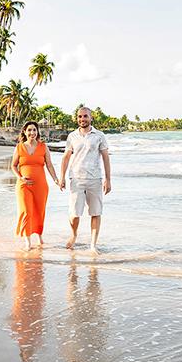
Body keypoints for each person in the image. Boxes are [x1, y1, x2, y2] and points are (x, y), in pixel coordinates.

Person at [59, 107, 111, 253]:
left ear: (91, 118)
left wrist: (108, 179)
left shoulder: (99, 135)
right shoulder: (72, 136)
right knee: (74, 214)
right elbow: (66, 157)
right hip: (76, 178)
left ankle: (93, 245)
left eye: (85, 116)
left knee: (95, 212)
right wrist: (62, 177)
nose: (82, 119)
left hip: (95, 178)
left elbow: (106, 157)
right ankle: (74, 235)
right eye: (80, 117)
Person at [12, 121, 61, 249]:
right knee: (26, 211)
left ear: (37, 132)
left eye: (34, 130)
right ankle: (28, 241)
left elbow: (49, 165)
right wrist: (20, 178)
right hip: (23, 185)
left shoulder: (43, 147)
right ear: (24, 132)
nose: (32, 133)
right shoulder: (19, 148)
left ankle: (39, 235)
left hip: (40, 185)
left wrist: (56, 179)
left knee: (39, 212)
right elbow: (13, 166)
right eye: (29, 130)